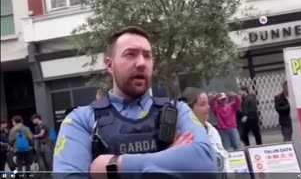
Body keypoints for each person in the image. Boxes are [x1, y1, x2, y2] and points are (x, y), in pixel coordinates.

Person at [53, 26, 216, 178]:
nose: (141, 63)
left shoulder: (177, 110)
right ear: (110, 65)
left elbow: (207, 164)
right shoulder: (81, 120)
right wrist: (172, 161)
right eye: (130, 54)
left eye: (147, 56)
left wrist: (114, 166)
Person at [181, 87, 228, 172]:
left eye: (207, 103)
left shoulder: (213, 131)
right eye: (203, 104)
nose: (208, 107)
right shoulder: (185, 137)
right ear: (189, 109)